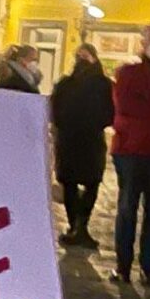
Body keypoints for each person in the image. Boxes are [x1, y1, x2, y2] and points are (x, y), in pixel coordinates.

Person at [110, 22, 150, 287]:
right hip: (130, 151)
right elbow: (124, 106)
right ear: (143, 42)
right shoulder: (128, 73)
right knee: (127, 208)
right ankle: (123, 266)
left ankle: (148, 267)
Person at [51, 44, 115, 248]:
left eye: (84, 56)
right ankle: (78, 226)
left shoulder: (98, 85)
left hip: (77, 140)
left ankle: (77, 226)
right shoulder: (71, 84)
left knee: (83, 183)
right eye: (79, 56)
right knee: (80, 183)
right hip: (85, 140)